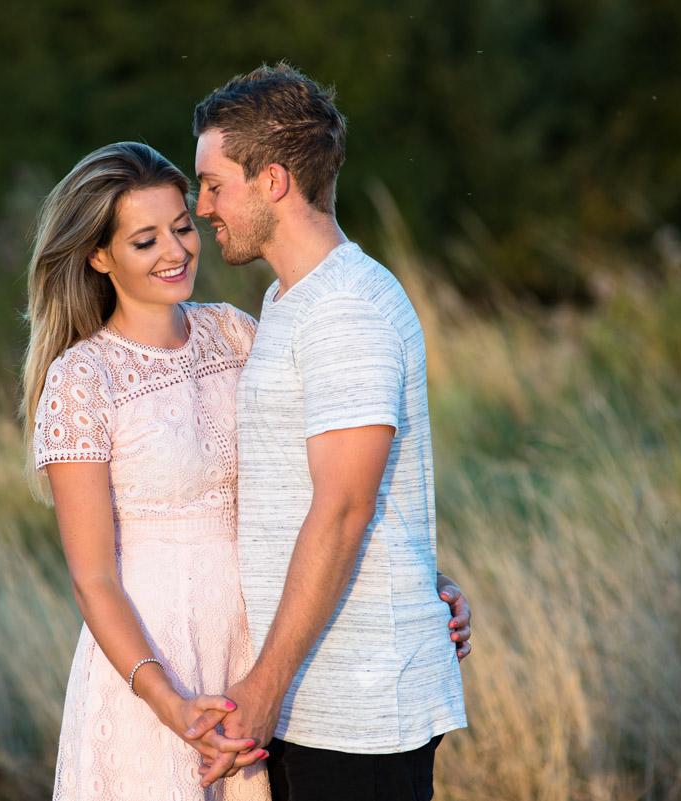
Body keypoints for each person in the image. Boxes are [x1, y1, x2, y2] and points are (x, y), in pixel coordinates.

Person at [20, 141, 472, 801]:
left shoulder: (233, 332)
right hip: (154, 661)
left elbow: (320, 486)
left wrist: (417, 578)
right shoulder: (82, 378)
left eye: (182, 227)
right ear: (99, 256)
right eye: (145, 241)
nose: (176, 251)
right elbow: (93, 580)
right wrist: (168, 700)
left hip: (254, 649)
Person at [182, 64, 468, 801]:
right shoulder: (291, 300)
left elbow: (342, 508)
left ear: (273, 180)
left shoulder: (346, 309)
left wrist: (264, 686)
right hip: (322, 691)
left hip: (358, 706)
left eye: (214, 184)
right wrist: (420, 578)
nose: (202, 207)